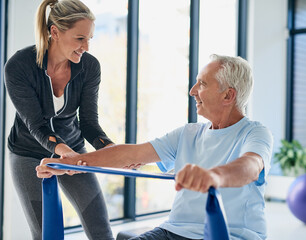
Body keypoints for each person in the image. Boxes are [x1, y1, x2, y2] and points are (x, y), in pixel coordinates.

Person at [37, 54, 273, 240]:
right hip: (175, 232)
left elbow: (250, 166)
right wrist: (68, 163)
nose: (192, 91)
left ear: (228, 95)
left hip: (234, 235)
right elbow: (130, 153)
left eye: (202, 84)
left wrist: (213, 176)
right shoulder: (188, 133)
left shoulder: (254, 132)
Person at [4, 0, 115, 239]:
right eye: (79, 38)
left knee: (101, 230)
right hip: (28, 153)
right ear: (55, 32)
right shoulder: (19, 66)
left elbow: (88, 123)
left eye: (89, 39)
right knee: (46, 233)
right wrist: (65, 152)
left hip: (73, 150)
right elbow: (37, 124)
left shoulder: (89, 66)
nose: (86, 46)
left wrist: (114, 151)